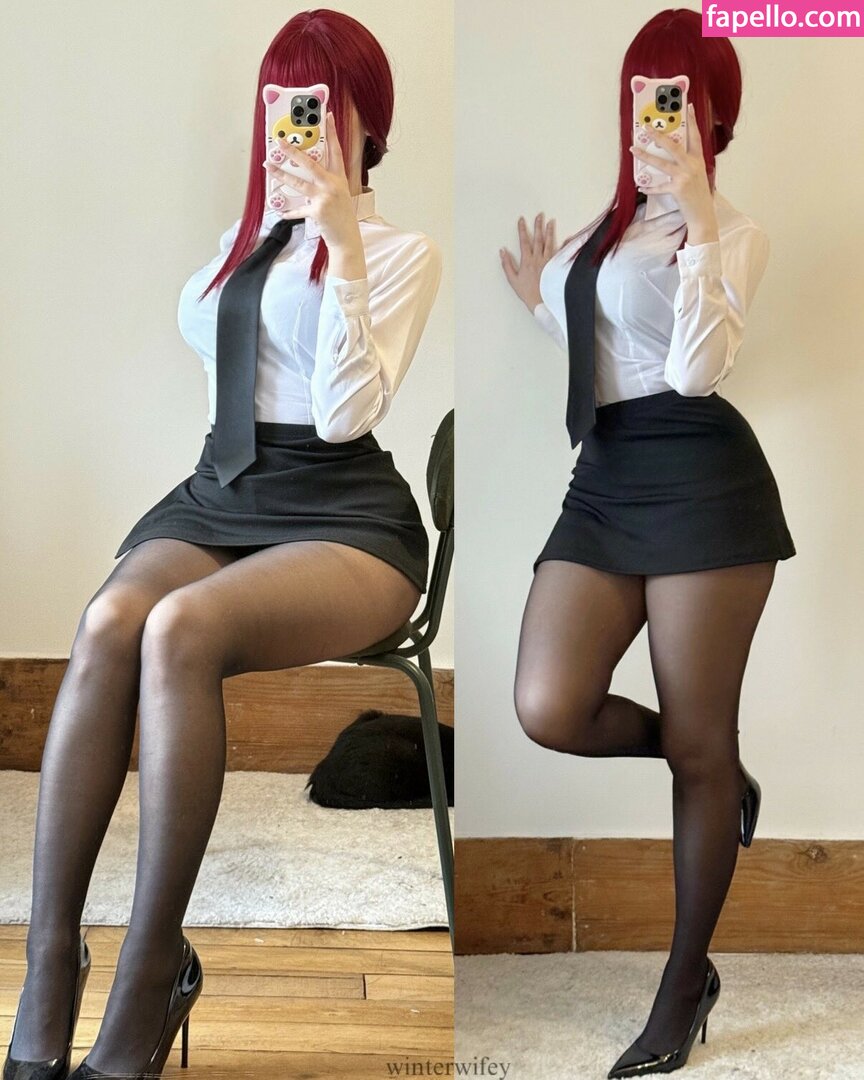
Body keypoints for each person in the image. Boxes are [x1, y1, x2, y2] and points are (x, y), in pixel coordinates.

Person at [3, 10, 441, 1080]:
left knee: (181, 630)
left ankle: (151, 970)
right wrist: (278, 236)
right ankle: (49, 963)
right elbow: (221, 374)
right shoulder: (237, 248)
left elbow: (342, 414)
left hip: (345, 515)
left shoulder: (399, 253)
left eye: (322, 105)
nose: (300, 126)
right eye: (284, 103)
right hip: (223, 492)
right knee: (112, 618)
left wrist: (339, 243)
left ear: (367, 123)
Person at [500, 9, 794, 1077]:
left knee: (696, 749)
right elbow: (612, 342)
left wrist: (702, 217)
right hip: (608, 480)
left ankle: (684, 985)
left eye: (675, 96)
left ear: (714, 116)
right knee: (549, 704)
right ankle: (708, 758)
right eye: (641, 93)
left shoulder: (732, 231)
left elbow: (695, 369)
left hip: (705, 484)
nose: (651, 116)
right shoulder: (606, 227)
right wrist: (546, 298)